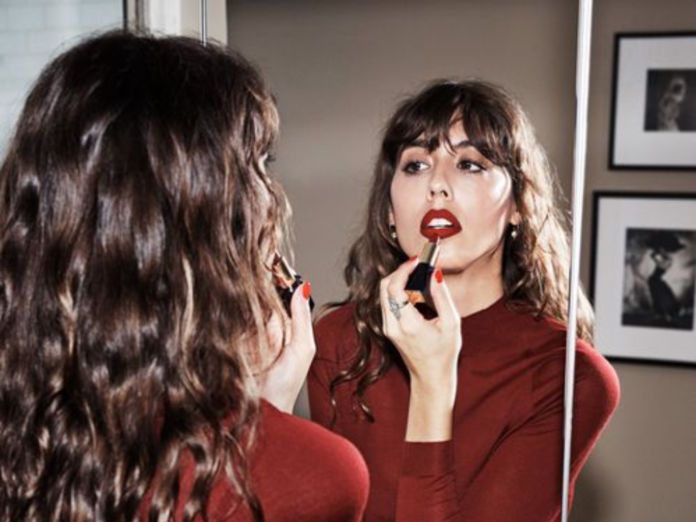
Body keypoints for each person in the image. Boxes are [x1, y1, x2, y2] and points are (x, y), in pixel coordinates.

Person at [0, 31, 368, 521]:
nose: (272, 195)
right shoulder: (320, 478)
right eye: (258, 164)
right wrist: (261, 430)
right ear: (208, 218)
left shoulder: (26, 439)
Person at [308, 79, 620, 522]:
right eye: (416, 165)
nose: (437, 185)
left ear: (518, 205)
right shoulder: (338, 341)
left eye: (470, 164)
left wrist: (432, 384)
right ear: (390, 213)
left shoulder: (568, 375)